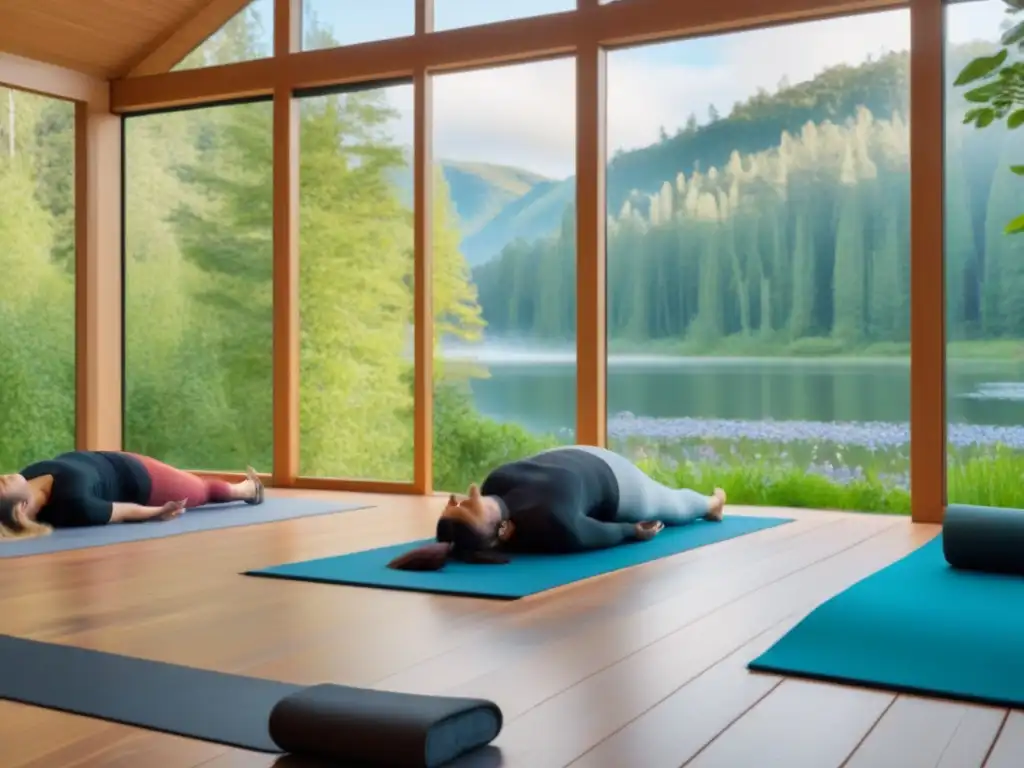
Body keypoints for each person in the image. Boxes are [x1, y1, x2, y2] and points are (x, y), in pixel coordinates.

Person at [387, 445, 726, 571]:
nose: (458, 500)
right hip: (617, 483)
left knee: (668, 500)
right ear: (497, 534)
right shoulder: (555, 524)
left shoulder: (494, 483)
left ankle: (709, 503)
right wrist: (633, 531)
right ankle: (711, 505)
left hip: (576, 452)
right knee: (673, 505)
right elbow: (600, 532)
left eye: (453, 505)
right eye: (464, 510)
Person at [0, 450, 265, 540]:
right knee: (201, 489)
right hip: (142, 480)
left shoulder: (28, 475)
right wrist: (159, 511)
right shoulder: (73, 506)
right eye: (2, 485)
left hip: (114, 458)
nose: (2, 477)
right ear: (20, 508)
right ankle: (248, 490)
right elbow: (122, 511)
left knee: (190, 479)